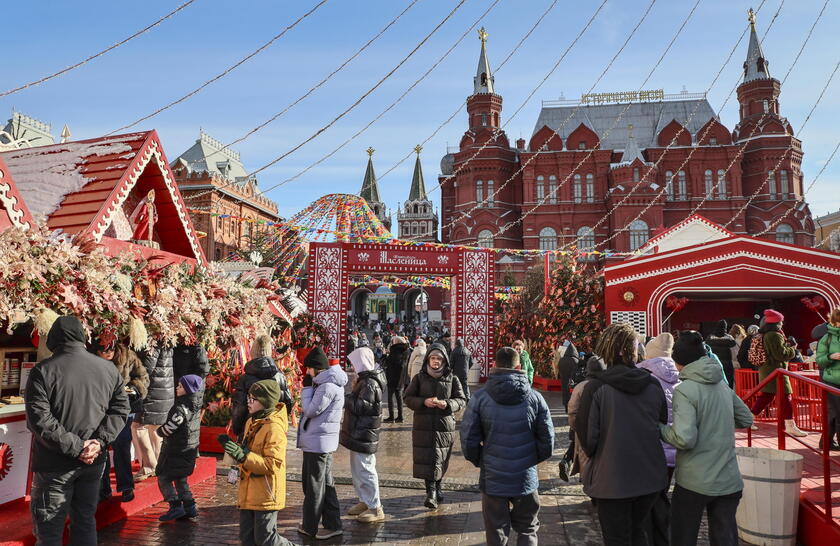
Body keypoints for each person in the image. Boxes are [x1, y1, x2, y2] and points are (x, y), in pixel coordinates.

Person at [26, 316, 130, 545]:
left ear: (54, 339)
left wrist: (80, 446)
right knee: (84, 521)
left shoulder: (43, 371)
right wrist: (97, 443)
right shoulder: (108, 369)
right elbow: (121, 410)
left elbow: (39, 420)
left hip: (56, 463)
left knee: (49, 530)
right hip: (92, 460)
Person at [575, 323, 668, 545]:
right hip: (650, 475)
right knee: (638, 531)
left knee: (617, 537)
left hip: (612, 478)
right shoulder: (653, 384)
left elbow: (588, 440)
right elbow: (661, 423)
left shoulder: (595, 388)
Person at [660, 331, 754, 545]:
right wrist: (720, 423)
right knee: (725, 538)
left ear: (680, 362)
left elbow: (684, 439)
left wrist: (659, 429)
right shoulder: (722, 384)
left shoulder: (685, 390)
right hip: (728, 478)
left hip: (695, 481)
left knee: (683, 536)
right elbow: (746, 418)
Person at [461, 347, 554, 545]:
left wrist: (483, 460)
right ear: (519, 366)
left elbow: (468, 440)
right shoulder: (535, 398)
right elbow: (548, 442)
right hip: (525, 477)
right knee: (528, 529)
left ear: (494, 365)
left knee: (496, 532)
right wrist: (529, 459)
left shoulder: (479, 398)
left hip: (494, 477)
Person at [219, 379, 294, 546]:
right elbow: (249, 450)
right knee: (247, 537)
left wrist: (243, 455)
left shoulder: (274, 428)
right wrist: (235, 449)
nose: (249, 403)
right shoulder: (251, 421)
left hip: (266, 492)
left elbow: (272, 465)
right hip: (249, 490)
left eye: (253, 399)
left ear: (265, 402)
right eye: (248, 398)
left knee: (266, 539)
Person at [404, 344, 467, 509]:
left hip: (444, 426)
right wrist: (423, 402)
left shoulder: (452, 378)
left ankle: (438, 487)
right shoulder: (419, 377)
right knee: (427, 458)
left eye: (439, 358)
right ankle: (431, 492)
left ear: (444, 360)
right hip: (423, 425)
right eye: (433, 358)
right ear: (428, 359)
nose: (436, 361)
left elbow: (461, 400)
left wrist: (446, 404)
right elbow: (408, 397)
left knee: (440, 458)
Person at [296, 347, 347, 539]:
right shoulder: (329, 384)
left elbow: (310, 410)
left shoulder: (326, 387)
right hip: (320, 440)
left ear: (316, 368)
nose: (307, 372)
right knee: (325, 484)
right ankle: (333, 524)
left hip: (318, 443)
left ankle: (310, 526)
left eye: (308, 369)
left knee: (314, 487)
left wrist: (307, 389)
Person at [92, 339, 149, 503]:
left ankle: (126, 487)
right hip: (99, 409)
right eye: (102, 351)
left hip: (124, 409)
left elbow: (143, 376)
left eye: (109, 350)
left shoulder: (128, 355)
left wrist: (134, 389)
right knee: (100, 447)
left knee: (122, 446)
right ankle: (103, 489)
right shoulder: (91, 360)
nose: (107, 354)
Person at [637, 333, 681, 546]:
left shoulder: (644, 378)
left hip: (652, 447)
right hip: (673, 448)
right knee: (662, 495)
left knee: (648, 500)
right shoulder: (680, 377)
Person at [340, 347, 386, 523]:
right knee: (358, 469)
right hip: (359, 431)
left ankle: (375, 507)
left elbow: (362, 407)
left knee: (365, 469)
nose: (352, 367)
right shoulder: (366, 380)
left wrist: (346, 397)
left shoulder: (370, 383)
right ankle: (365, 500)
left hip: (364, 432)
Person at [749, 310, 807, 437]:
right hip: (777, 371)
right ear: (776, 323)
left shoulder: (764, 335)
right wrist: (792, 348)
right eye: (780, 322)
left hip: (767, 370)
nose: (782, 324)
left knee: (766, 396)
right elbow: (780, 355)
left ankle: (747, 419)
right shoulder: (775, 335)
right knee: (787, 397)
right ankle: (790, 426)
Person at [155, 374, 203, 521]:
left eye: (181, 386)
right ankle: (190, 507)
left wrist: (159, 431)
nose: (177, 388)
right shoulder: (195, 405)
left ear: (188, 389)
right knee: (181, 479)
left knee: (163, 477)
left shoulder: (180, 408)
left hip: (175, 450)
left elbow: (169, 428)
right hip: (189, 448)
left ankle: (175, 506)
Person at [232, 335, 294, 440]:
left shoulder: (246, 378)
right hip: (273, 427)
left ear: (253, 353)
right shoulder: (280, 376)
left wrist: (237, 429)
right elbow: (287, 402)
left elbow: (240, 408)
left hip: (250, 428)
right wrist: (281, 423)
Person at [132, 344, 174, 482]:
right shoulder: (167, 341)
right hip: (164, 391)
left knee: (138, 427)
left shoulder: (152, 343)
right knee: (155, 429)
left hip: (153, 393)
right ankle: (159, 465)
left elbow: (146, 369)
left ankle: (149, 466)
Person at [564, 355, 607, 481]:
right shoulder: (607, 386)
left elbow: (572, 411)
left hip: (584, 429)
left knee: (585, 460)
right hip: (604, 430)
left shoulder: (581, 386)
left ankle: (587, 481)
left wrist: (576, 427)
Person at [815, 308, 840, 450]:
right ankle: (826, 442)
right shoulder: (827, 338)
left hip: (832, 379)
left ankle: (826, 442)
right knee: (835, 413)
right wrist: (831, 357)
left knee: (833, 413)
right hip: (832, 380)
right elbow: (820, 361)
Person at [384, 336, 411, 422]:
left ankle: (391, 417)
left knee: (390, 398)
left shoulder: (395, 349)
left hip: (393, 376)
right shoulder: (406, 350)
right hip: (402, 377)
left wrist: (386, 356)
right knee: (399, 397)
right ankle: (400, 417)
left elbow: (392, 362)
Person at [707, 320, 737, 388]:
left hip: (714, 363)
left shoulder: (710, 337)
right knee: (728, 381)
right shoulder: (729, 338)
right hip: (727, 365)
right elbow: (734, 348)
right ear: (725, 328)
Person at [556, 341, 579, 410]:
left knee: (565, 392)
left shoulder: (562, 360)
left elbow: (559, 369)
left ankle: (566, 406)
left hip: (564, 380)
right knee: (571, 393)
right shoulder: (575, 360)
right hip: (572, 381)